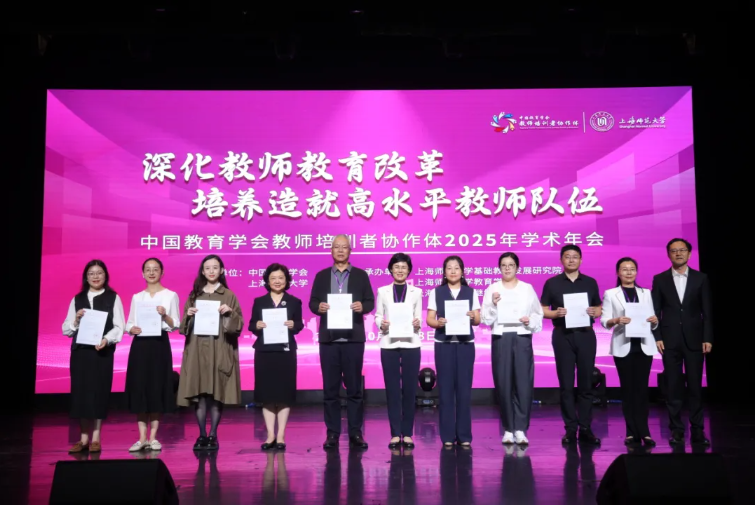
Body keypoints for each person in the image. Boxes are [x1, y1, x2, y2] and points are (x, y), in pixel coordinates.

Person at [309, 234, 375, 449]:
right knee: (330, 390)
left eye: (344, 247)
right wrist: (318, 307)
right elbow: (312, 302)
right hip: (329, 340)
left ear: (350, 250)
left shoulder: (361, 275)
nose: (340, 250)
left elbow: (370, 302)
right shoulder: (321, 276)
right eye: (336, 247)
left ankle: (356, 432)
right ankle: (332, 433)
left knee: (354, 389)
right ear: (331, 250)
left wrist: (362, 307)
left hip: (353, 339)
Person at [177, 254, 243, 451]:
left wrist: (230, 313)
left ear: (221, 270)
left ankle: (213, 434)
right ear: (203, 271)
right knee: (200, 393)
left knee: (216, 393)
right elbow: (182, 328)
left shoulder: (229, 295)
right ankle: (201, 434)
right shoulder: (194, 295)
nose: (212, 271)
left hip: (219, 347)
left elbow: (238, 325)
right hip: (197, 348)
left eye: (215, 267)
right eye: (208, 268)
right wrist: (188, 316)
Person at [652, 238, 713, 446]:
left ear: (689, 253)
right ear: (668, 254)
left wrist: (707, 337)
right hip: (669, 341)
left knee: (695, 387)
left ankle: (698, 430)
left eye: (682, 250)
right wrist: (658, 337)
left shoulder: (701, 278)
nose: (678, 253)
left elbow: (707, 311)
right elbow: (655, 311)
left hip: (695, 340)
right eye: (674, 250)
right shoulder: (660, 279)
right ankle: (677, 430)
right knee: (673, 387)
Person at [540, 245, 602, 445]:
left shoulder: (590, 282)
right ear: (561, 260)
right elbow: (542, 309)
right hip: (562, 335)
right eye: (567, 257)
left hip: (585, 335)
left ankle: (585, 427)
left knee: (586, 384)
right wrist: (555, 313)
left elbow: (599, 307)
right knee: (566, 385)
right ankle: (570, 428)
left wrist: (596, 311)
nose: (571, 260)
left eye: (575, 257)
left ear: (581, 260)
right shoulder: (552, 283)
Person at [62, 259, 125, 453]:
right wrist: (76, 321)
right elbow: (66, 329)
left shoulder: (113, 297)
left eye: (99, 273)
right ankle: (83, 439)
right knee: (81, 393)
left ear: (105, 275)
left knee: (99, 392)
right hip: (81, 353)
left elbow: (119, 326)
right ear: (86, 277)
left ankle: (96, 437)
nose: (95, 277)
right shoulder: (77, 299)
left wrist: (107, 339)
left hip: (102, 352)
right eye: (91, 273)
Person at [482, 252, 543, 446]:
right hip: (501, 337)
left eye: (511, 265)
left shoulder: (527, 288)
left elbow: (538, 314)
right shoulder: (493, 288)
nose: (507, 268)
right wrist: (493, 304)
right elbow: (485, 318)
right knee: (503, 383)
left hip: (522, 336)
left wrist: (529, 320)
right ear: (499, 268)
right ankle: (508, 428)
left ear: (517, 267)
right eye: (504, 265)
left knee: (523, 384)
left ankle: (521, 429)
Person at [600, 257, 659, 447]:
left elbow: (653, 320)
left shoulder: (646, 293)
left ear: (636, 272)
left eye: (632, 269)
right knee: (628, 390)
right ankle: (631, 432)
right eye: (624, 269)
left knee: (642, 390)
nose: (628, 272)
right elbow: (604, 321)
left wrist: (654, 321)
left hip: (643, 345)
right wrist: (616, 320)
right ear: (618, 273)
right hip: (623, 346)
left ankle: (645, 432)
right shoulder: (611, 294)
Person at [124, 258, 180, 452]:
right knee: (140, 387)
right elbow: (129, 323)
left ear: (162, 272)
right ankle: (141, 438)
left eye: (155, 269)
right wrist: (132, 329)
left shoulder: (170, 295)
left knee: (157, 387)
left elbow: (175, 324)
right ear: (143, 273)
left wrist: (164, 315)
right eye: (147, 269)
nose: (151, 272)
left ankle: (154, 437)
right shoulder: (137, 297)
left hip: (159, 345)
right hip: (140, 345)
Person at [426, 255, 481, 447]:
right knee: (446, 391)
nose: (453, 271)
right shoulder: (436, 292)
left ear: (462, 271)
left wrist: (473, 316)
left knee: (464, 391)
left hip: (465, 345)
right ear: (444, 272)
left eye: (456, 268)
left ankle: (464, 435)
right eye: (449, 268)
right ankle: (448, 436)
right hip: (444, 344)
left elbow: (477, 320)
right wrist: (438, 323)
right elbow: (430, 319)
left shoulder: (471, 292)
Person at [250, 263, 304, 451]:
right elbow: (251, 325)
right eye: (273, 278)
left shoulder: (294, 301)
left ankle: (280, 434)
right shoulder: (259, 301)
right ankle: (270, 435)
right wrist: (257, 325)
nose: (277, 281)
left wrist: (293, 325)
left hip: (285, 351)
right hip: (264, 352)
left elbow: (299, 325)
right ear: (267, 281)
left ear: (287, 280)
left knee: (283, 394)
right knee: (267, 395)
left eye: (281, 278)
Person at [374, 253, 423, 449]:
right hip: (389, 343)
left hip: (411, 343)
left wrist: (417, 323)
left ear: (409, 270)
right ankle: (395, 433)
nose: (400, 270)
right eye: (396, 267)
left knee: (410, 389)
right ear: (391, 270)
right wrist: (382, 324)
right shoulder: (383, 291)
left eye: (404, 267)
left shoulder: (417, 292)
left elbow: (418, 317)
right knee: (392, 389)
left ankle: (408, 433)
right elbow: (378, 315)